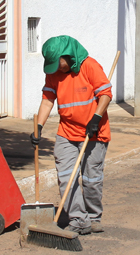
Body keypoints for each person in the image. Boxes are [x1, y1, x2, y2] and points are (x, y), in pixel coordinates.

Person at [31, 36, 112, 235]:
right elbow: (48, 100)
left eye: (59, 64)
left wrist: (96, 118)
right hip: (66, 132)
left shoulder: (90, 66)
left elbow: (105, 94)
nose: (57, 69)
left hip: (93, 132)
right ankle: (78, 219)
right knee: (66, 176)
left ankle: (93, 216)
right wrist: (39, 126)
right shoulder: (54, 74)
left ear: (67, 55)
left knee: (91, 179)